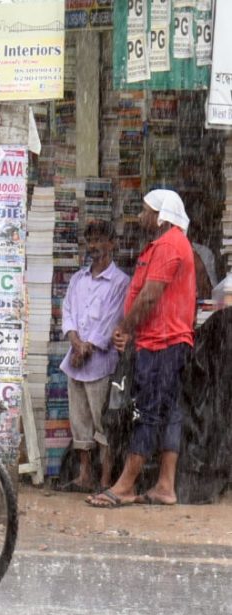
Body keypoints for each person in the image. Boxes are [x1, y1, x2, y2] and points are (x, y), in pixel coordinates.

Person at [87, 190, 195, 508]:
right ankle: (164, 485)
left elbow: (149, 296)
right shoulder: (167, 244)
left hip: (162, 342)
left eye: (146, 211)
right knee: (168, 412)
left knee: (147, 413)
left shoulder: (168, 245)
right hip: (163, 340)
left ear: (161, 215)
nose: (141, 217)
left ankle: (125, 485)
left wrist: (123, 328)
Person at [59, 221, 129, 493]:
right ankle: (85, 474)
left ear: (112, 244)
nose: (94, 247)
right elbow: (68, 312)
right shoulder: (78, 279)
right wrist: (75, 342)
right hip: (76, 360)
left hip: (101, 362)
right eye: (90, 242)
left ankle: (105, 479)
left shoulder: (120, 281)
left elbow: (112, 320)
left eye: (100, 240)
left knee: (103, 423)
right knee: (79, 421)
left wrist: (87, 348)